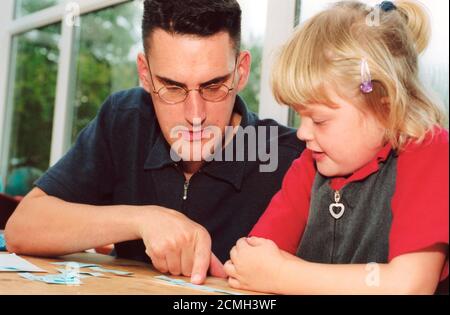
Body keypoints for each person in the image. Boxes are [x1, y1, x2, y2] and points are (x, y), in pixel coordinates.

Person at [4, 0, 304, 285]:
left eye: (213, 86)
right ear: (145, 75)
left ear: (241, 72)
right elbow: (22, 228)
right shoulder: (125, 120)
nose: (195, 115)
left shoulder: (291, 158)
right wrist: (144, 219)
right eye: (172, 87)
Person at [224, 0, 449, 294]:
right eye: (300, 115)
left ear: (385, 108)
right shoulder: (310, 164)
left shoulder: (429, 152)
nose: (303, 133)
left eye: (319, 120)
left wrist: (283, 275)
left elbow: (409, 285)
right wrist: (259, 269)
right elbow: (255, 261)